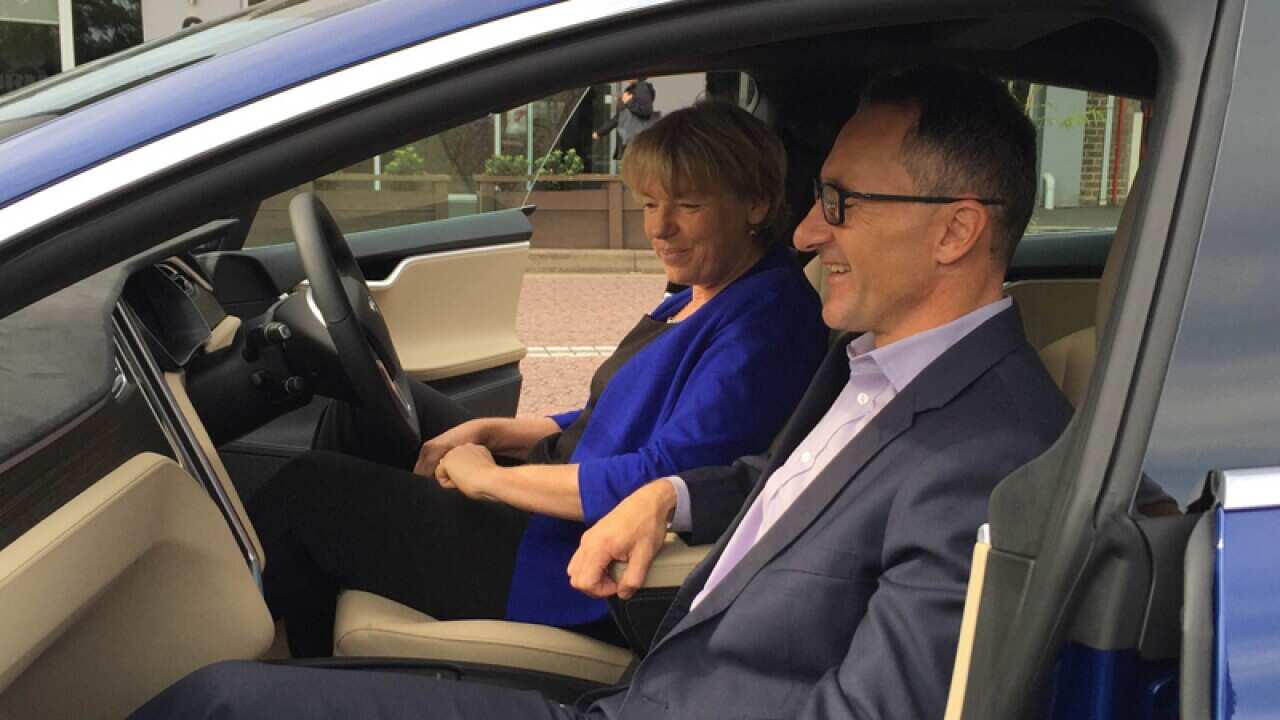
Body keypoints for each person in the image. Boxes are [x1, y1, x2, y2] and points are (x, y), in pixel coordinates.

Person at [133, 64, 1067, 719]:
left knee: (222, 694)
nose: (809, 236)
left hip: (636, 651)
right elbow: (772, 481)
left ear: (954, 233)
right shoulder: (873, 366)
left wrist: (500, 479)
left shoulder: (984, 451)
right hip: (656, 666)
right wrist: (671, 493)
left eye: (841, 203)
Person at [246, 101, 829, 657]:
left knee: (307, 493)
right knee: (363, 407)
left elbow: (664, 477)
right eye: (650, 205)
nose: (661, 228)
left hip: (565, 560)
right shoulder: (702, 291)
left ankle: (276, 663)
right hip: (554, 496)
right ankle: (316, 620)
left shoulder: (767, 325)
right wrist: (504, 431)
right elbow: (625, 410)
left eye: (688, 207)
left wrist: (488, 482)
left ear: (756, 204)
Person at [593, 78, 659, 159]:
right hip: (631, 141)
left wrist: (628, 102)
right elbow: (619, 118)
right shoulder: (632, 89)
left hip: (636, 142)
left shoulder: (641, 87)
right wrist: (601, 132)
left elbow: (646, 111)